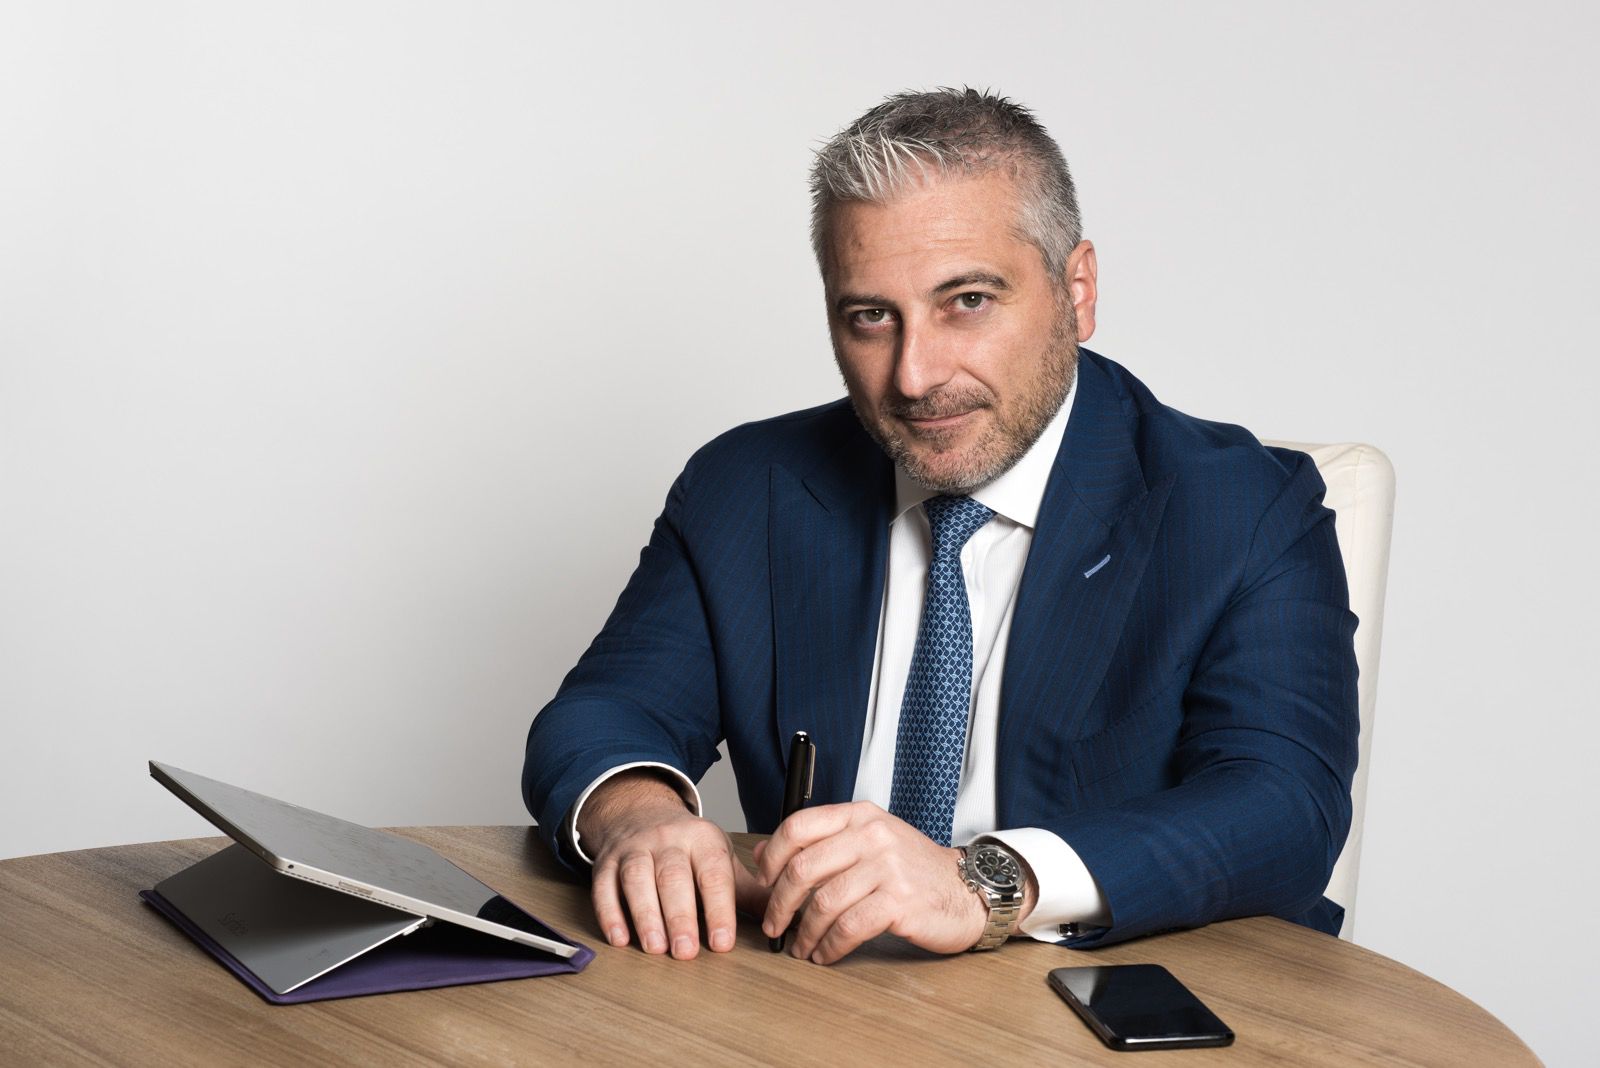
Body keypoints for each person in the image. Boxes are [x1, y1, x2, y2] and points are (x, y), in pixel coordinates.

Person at [522, 87, 1358, 965]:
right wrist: (639, 815)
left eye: (967, 300)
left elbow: (1285, 808)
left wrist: (985, 883)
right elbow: (608, 709)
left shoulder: (1243, 508)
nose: (915, 377)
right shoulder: (749, 487)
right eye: (871, 317)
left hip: (1107, 989)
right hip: (818, 995)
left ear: (1076, 290)